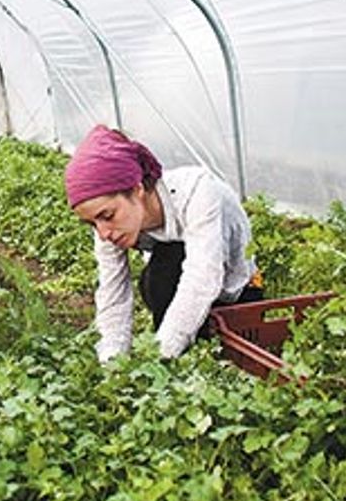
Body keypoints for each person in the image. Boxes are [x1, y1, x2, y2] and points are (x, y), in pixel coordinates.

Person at [64, 124, 262, 362]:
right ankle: (181, 350)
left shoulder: (198, 193)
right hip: (174, 287)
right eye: (92, 223)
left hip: (234, 290)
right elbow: (113, 292)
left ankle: (182, 351)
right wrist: (112, 362)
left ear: (137, 189)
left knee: (169, 261)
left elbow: (202, 278)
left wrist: (159, 358)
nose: (103, 232)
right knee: (159, 275)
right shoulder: (109, 226)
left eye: (107, 216)